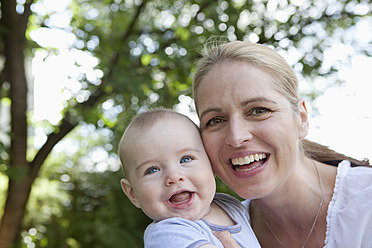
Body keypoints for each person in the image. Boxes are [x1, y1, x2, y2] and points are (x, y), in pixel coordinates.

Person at [193, 40, 372, 248]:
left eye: (259, 110)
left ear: (302, 118)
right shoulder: (206, 236)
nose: (236, 137)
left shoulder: (365, 203)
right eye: (215, 120)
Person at [118, 108, 261, 248]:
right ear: (133, 194)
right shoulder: (167, 234)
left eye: (185, 159)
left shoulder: (230, 205)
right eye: (152, 170)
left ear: (211, 164)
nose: (174, 177)